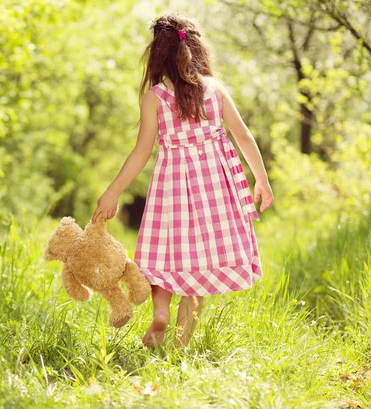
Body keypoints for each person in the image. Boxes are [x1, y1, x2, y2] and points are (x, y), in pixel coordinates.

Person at [91, 13, 274, 349]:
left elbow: (141, 152)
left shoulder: (156, 97)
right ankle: (180, 341)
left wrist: (112, 192)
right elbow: (244, 137)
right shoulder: (215, 91)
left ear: (157, 57)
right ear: (197, 49)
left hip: (172, 188)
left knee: (164, 256)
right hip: (215, 189)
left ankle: (160, 310)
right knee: (199, 263)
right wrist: (260, 180)